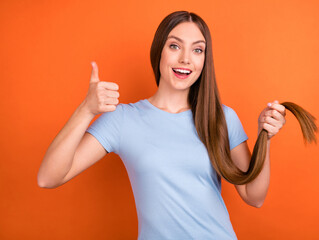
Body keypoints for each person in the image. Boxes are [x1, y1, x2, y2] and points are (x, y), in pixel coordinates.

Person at [38, 11, 286, 240]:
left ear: (204, 60)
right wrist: (86, 110)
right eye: (175, 46)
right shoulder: (123, 120)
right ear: (159, 51)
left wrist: (266, 137)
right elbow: (48, 178)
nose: (186, 59)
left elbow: (254, 197)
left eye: (198, 50)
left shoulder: (221, 118)